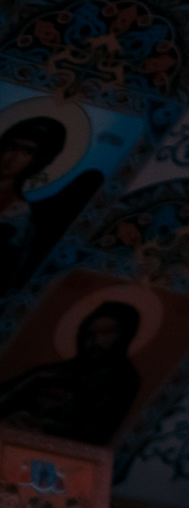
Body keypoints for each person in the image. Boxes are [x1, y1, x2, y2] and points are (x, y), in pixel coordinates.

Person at [0, 298, 144, 445]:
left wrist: (46, 424)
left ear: (124, 336)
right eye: (89, 335)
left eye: (106, 333)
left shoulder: (124, 379)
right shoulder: (54, 371)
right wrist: (32, 380)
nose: (96, 342)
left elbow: (97, 431)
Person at [0, 112, 105, 295]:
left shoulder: (23, 215)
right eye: (12, 147)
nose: (13, 157)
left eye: (26, 152)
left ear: (39, 161)